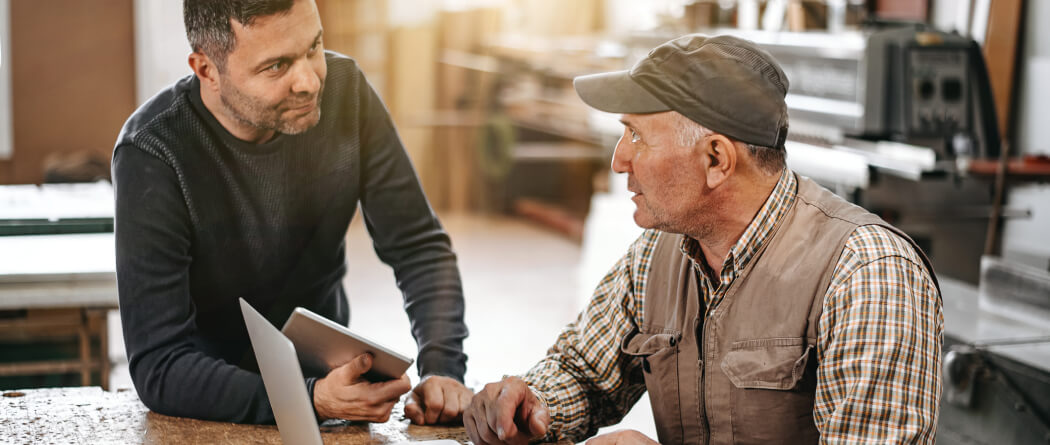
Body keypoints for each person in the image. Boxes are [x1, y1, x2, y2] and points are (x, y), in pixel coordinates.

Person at [464, 34, 943, 444]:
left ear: (716, 159)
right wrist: (529, 404)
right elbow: (585, 374)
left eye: (636, 136)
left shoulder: (867, 275)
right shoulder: (658, 254)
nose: (618, 160)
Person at [112, 0, 471, 425]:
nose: (309, 81)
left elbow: (419, 248)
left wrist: (442, 367)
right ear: (207, 70)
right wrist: (308, 399)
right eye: (276, 66)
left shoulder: (346, 92)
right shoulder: (153, 152)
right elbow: (160, 364)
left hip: (328, 387)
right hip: (204, 407)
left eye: (313, 47)